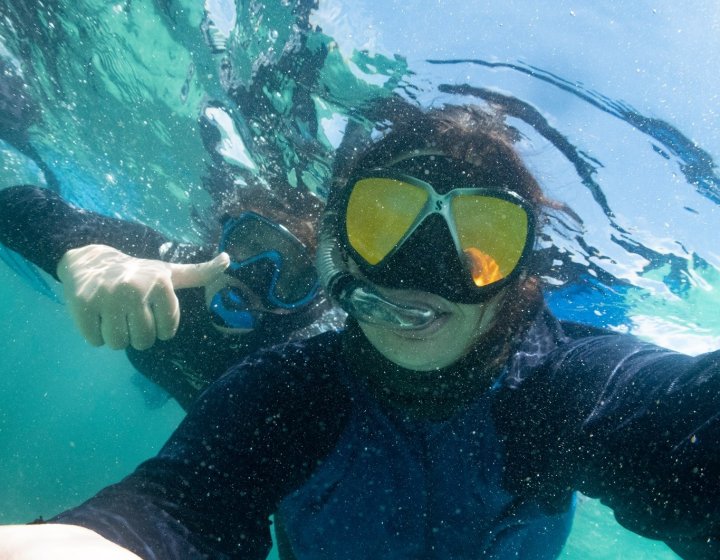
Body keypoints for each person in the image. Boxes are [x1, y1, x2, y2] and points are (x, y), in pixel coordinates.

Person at [1, 100, 718, 560]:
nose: (421, 271)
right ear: (341, 247)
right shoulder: (292, 392)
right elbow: (173, 511)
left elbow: (679, 417)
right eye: (384, 222)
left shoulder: (558, 387)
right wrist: (79, 247)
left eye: (480, 241)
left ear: (520, 277)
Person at [0, 181, 336, 409]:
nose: (255, 277)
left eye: (290, 276)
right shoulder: (167, 266)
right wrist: (79, 252)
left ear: (308, 298)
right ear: (221, 238)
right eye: (247, 244)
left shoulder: (301, 366)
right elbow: (15, 204)